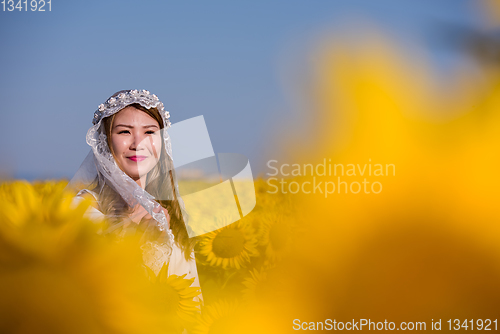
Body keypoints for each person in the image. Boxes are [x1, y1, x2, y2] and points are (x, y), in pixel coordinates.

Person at [68, 89, 201, 297]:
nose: (138, 143)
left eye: (149, 132)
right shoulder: (81, 209)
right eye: (124, 132)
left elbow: (192, 296)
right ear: (104, 142)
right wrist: (131, 232)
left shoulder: (174, 211)